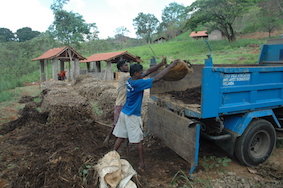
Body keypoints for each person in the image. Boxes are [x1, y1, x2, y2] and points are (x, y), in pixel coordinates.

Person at [112, 57, 178, 171]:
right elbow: (157, 78)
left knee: (121, 136)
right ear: (136, 74)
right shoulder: (139, 83)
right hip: (132, 115)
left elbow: (148, 71)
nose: (143, 73)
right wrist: (171, 67)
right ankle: (141, 163)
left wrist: (160, 64)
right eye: (140, 72)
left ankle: (112, 156)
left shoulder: (130, 80)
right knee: (138, 140)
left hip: (124, 113)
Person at [103, 60, 130, 146]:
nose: (127, 67)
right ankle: (108, 138)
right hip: (120, 104)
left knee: (121, 124)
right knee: (117, 124)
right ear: (121, 68)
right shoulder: (124, 76)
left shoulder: (125, 75)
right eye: (125, 65)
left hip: (123, 104)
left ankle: (117, 140)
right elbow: (137, 75)